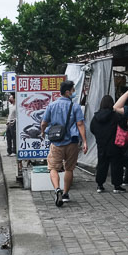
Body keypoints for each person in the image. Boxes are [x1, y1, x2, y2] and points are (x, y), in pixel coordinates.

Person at [39, 80, 88, 208]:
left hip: (56, 142)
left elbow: (44, 123)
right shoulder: (75, 107)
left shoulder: (52, 106)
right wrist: (85, 141)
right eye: (73, 90)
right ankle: (65, 194)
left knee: (53, 168)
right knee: (69, 168)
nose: (74, 93)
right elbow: (80, 124)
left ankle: (57, 189)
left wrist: (43, 132)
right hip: (72, 142)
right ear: (67, 92)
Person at [89, 94, 127, 193]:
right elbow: (123, 126)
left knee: (102, 164)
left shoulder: (96, 117)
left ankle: (100, 185)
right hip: (114, 144)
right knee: (116, 165)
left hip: (101, 144)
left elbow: (92, 129)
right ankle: (117, 186)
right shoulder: (116, 116)